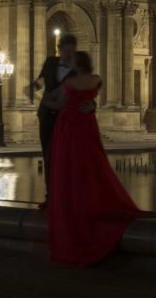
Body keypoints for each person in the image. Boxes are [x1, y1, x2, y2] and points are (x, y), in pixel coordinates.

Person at [44, 51, 144, 265]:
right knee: (93, 162)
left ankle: (73, 202)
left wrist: (45, 102)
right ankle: (94, 196)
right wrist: (91, 106)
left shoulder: (69, 82)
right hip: (87, 123)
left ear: (76, 64)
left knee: (68, 166)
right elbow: (91, 98)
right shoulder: (96, 80)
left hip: (69, 124)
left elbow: (58, 103)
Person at [33, 34, 94, 209]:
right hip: (47, 116)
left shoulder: (78, 69)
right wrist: (34, 86)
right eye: (65, 51)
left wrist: (92, 106)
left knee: (67, 159)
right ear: (59, 50)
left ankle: (69, 195)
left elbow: (86, 90)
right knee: (48, 156)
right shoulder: (51, 62)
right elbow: (42, 80)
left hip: (66, 118)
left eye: (71, 52)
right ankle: (50, 196)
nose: (68, 55)